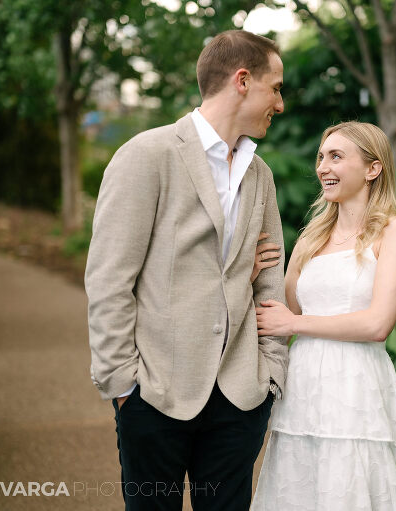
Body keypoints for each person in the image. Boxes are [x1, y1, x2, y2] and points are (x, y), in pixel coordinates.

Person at [85, 30, 288, 511]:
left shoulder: (260, 174)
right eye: (275, 87)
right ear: (242, 80)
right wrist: (122, 386)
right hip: (154, 394)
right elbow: (109, 279)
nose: (279, 103)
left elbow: (269, 278)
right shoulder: (146, 155)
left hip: (239, 397)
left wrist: (270, 373)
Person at [249, 121, 396, 510]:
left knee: (349, 487)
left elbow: (378, 324)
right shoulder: (311, 236)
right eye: (321, 157)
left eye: (337, 157)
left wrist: (295, 324)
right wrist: (252, 276)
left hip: (354, 386)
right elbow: (283, 311)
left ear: (373, 168)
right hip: (303, 386)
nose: (323, 167)